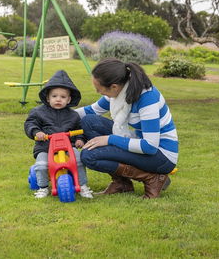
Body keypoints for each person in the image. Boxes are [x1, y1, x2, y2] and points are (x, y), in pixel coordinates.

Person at [76, 58, 178, 199]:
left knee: (89, 156)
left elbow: (150, 146)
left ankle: (152, 178)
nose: (98, 92)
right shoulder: (122, 90)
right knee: (89, 122)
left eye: (101, 91)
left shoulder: (147, 98)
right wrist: (57, 115)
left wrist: (110, 139)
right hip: (141, 143)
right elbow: (90, 111)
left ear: (114, 87)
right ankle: (122, 183)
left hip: (161, 156)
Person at [24, 70, 93, 199]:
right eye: (54, 96)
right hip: (45, 146)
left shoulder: (73, 115)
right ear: (47, 97)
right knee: (41, 165)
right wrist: (36, 132)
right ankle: (43, 187)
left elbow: (79, 128)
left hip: (68, 147)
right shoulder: (38, 112)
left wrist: (79, 139)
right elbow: (30, 123)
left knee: (78, 160)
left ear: (69, 99)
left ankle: (83, 185)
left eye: (63, 97)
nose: (58, 99)